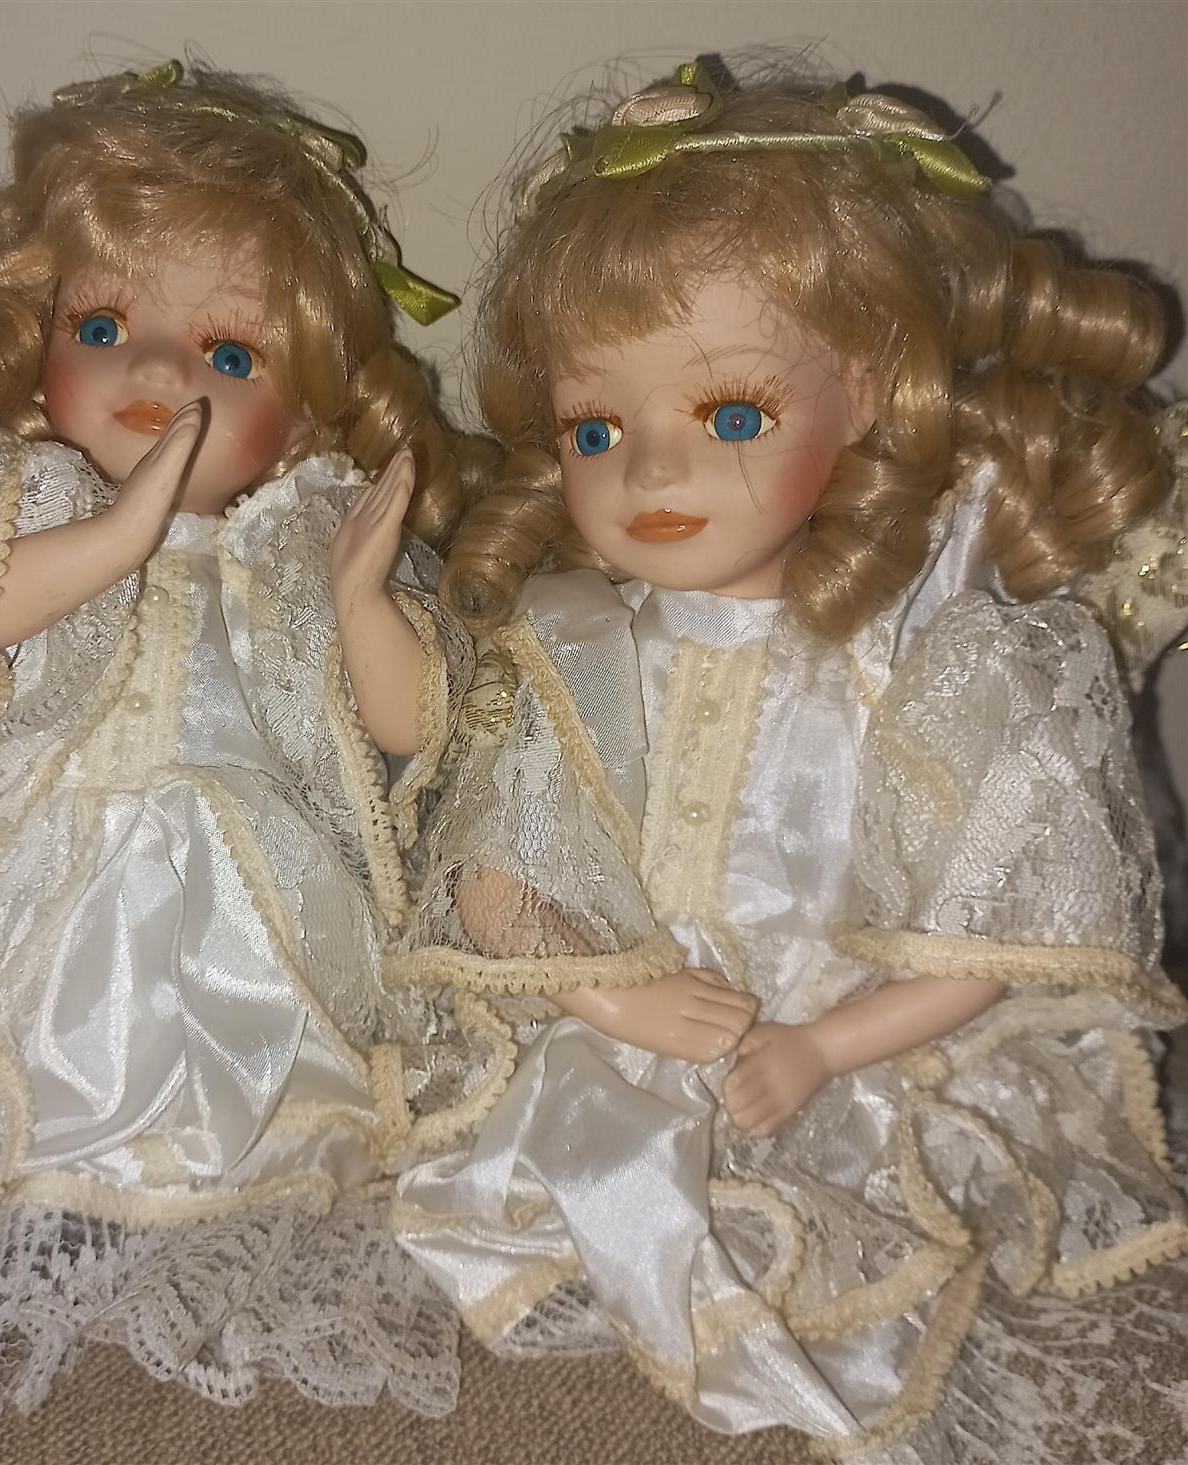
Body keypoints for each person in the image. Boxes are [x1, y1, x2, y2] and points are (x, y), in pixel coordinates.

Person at [386, 62, 1188, 1462]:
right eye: (595, 430)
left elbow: (993, 932)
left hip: (849, 1044)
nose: (651, 476)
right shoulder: (578, 643)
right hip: (625, 1033)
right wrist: (617, 997)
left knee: (872, 1213)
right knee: (524, 1149)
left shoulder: (926, 663)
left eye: (733, 416)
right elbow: (498, 881)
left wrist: (822, 1044)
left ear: (865, 394)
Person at [0, 61, 472, 1446]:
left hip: (256, 860)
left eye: (230, 356)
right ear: (34, 335)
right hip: (57, 844)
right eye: (107, 325)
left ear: (305, 413)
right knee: (55, 976)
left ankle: (226, 1158)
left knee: (258, 986)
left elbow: (415, 729)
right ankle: (66, 1163)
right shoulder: (26, 497)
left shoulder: (299, 533)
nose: (160, 375)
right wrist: (119, 539)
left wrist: (365, 600)